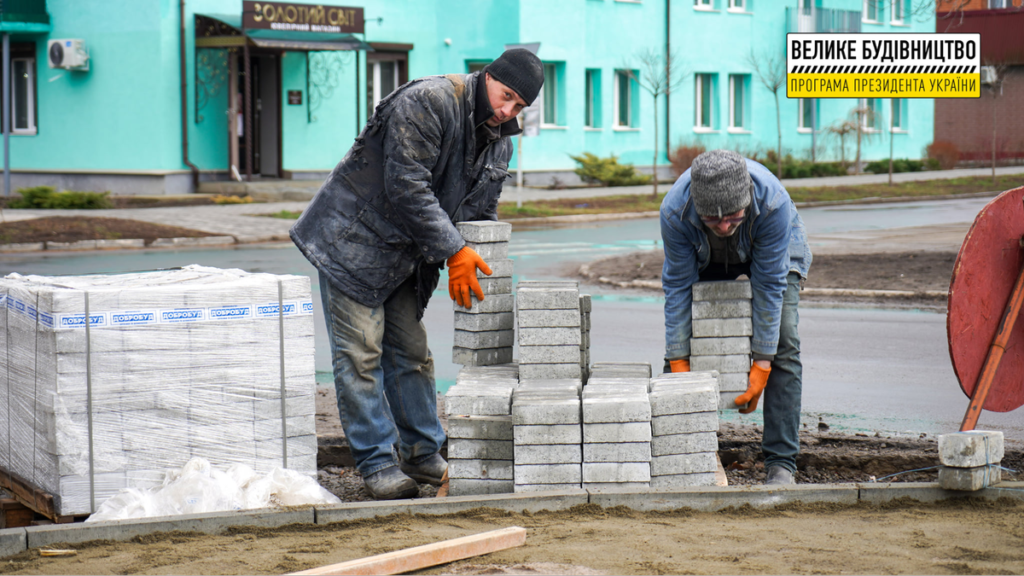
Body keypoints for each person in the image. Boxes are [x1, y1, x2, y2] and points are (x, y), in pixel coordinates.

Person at [290, 49, 544, 500]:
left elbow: (480, 211)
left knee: (411, 354)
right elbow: (406, 184)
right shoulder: (430, 101)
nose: (508, 111)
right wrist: (454, 250)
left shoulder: (499, 139)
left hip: (407, 256)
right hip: (354, 240)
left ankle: (423, 454)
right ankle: (376, 462)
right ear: (488, 77)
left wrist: (477, 254)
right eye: (506, 96)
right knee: (361, 357)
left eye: (519, 106)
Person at [660, 149, 812, 485]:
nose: (725, 226)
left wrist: (762, 362)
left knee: (784, 343)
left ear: (745, 200)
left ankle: (781, 463)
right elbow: (678, 290)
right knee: (682, 345)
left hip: (771, 248)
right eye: (713, 220)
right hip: (705, 255)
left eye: (732, 215)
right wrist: (679, 363)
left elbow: (771, 285)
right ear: (698, 211)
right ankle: (681, 453)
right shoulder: (675, 212)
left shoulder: (773, 204)